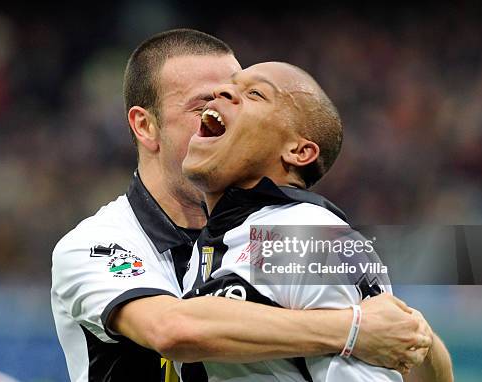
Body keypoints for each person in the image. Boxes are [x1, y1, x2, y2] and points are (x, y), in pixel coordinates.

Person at [51, 29, 433, 382]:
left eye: (244, 96)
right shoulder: (97, 243)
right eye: (205, 102)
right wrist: (352, 329)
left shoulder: (294, 234)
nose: (222, 105)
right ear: (146, 127)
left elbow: (405, 347)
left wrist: (411, 334)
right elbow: (171, 330)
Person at [181, 61, 453, 381]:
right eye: (230, 85)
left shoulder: (307, 235)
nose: (221, 91)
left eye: (255, 94)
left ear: (298, 151)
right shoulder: (215, 241)